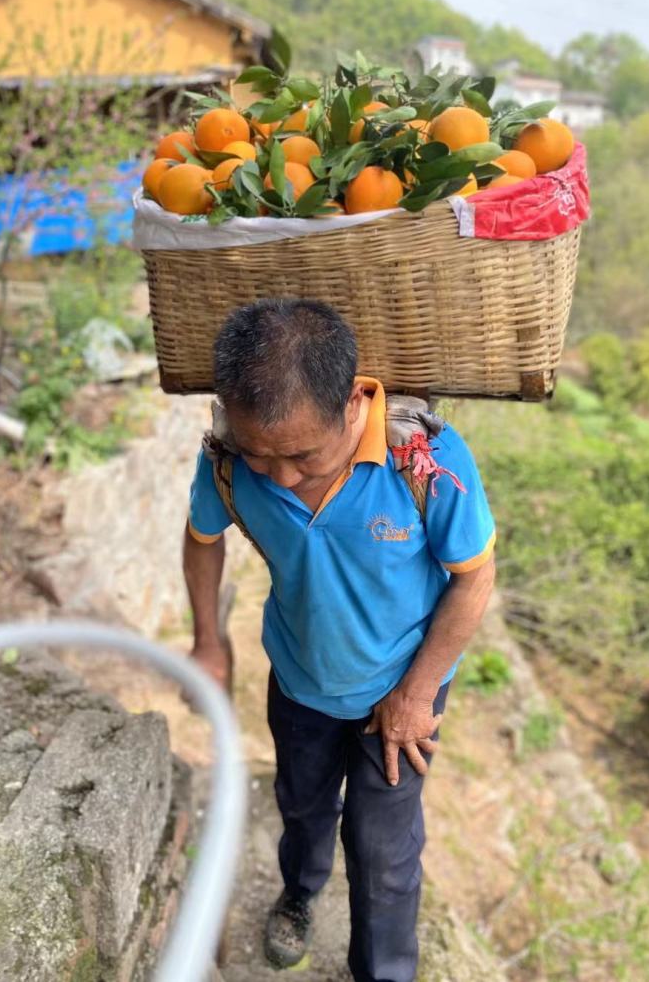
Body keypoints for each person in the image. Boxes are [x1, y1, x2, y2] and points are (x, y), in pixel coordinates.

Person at [183, 298, 496, 982]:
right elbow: (202, 537)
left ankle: (381, 973)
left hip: (400, 691)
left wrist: (416, 694)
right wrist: (209, 640)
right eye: (261, 456)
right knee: (301, 803)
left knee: (383, 852)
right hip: (300, 676)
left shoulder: (426, 457)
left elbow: (474, 580)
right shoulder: (231, 458)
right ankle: (300, 892)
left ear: (354, 400)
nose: (281, 475)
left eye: (299, 453)